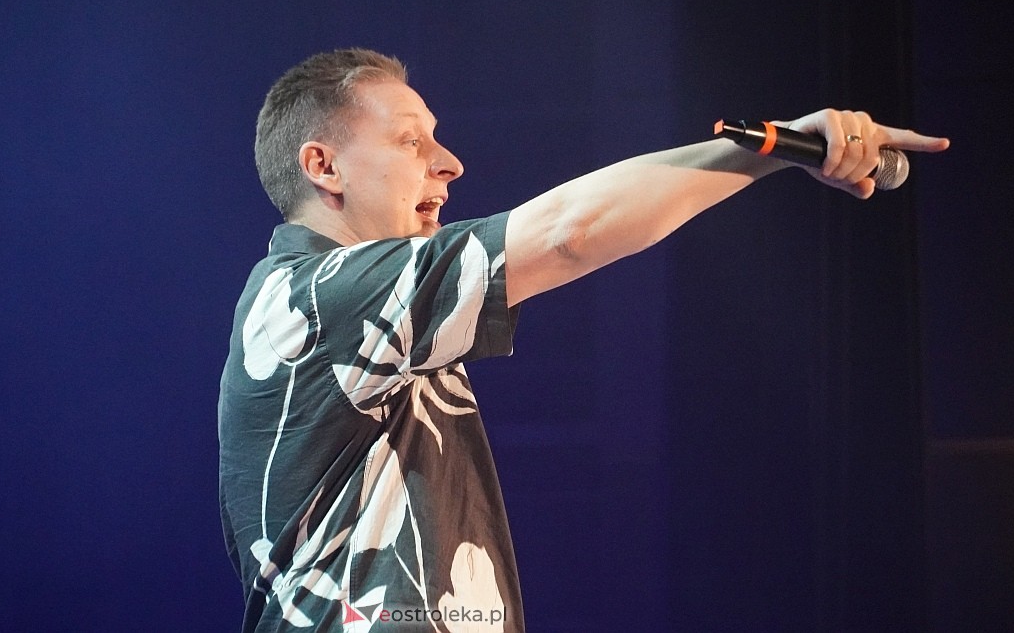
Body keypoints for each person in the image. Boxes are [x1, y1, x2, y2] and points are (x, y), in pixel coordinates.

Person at [217, 48, 948, 632]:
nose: (449, 162)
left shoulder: (380, 319)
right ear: (324, 167)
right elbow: (570, 231)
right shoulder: (315, 300)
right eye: (411, 140)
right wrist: (773, 149)